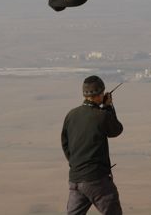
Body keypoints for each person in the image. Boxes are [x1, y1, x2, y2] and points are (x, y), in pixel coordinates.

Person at [61, 75, 124, 215]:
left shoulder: (71, 115)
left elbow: (65, 144)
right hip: (97, 180)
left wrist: (76, 165)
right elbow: (116, 130)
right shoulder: (101, 115)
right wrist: (108, 107)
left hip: (75, 179)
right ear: (100, 94)